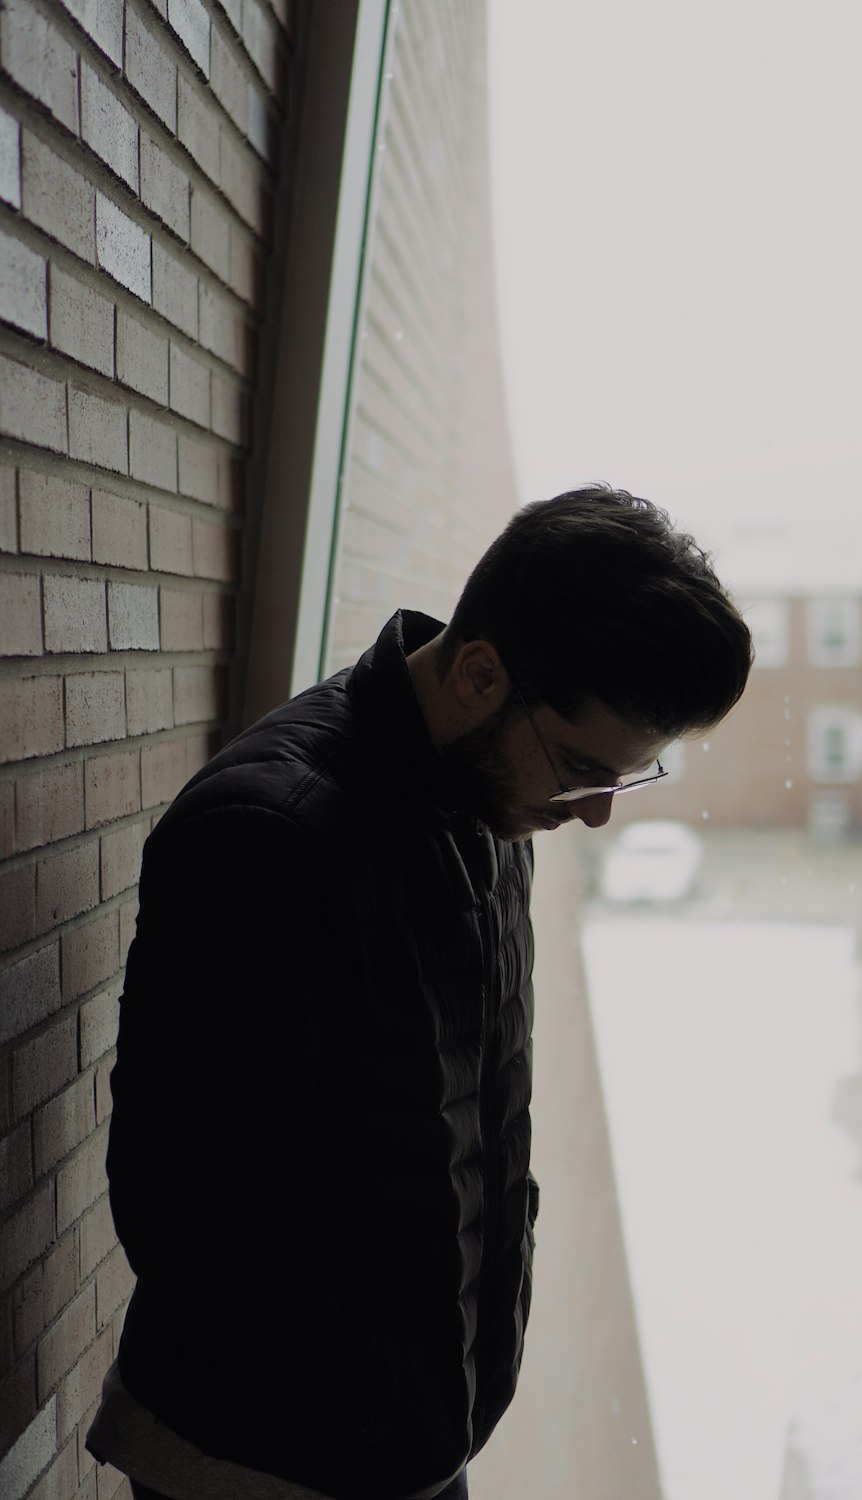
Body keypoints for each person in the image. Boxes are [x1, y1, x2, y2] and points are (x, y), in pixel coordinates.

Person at [86, 485, 753, 1500]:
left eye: (627, 779)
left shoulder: (489, 803)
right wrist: (389, 1413)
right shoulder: (268, 836)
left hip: (399, 1444)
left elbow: (475, 1124)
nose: (595, 816)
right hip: (263, 1464)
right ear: (482, 672)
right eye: (582, 769)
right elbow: (194, 1217)